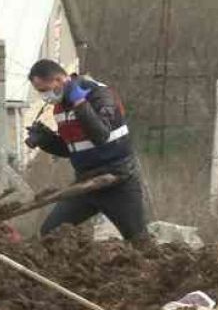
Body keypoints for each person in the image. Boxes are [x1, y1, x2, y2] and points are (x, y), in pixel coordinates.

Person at [24, 59, 148, 241]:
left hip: (118, 181)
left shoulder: (100, 94)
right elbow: (74, 149)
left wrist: (80, 103)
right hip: (86, 184)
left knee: (139, 242)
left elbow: (101, 135)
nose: (44, 96)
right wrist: (46, 141)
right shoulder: (59, 108)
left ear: (59, 80)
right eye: (40, 92)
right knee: (49, 235)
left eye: (44, 89)